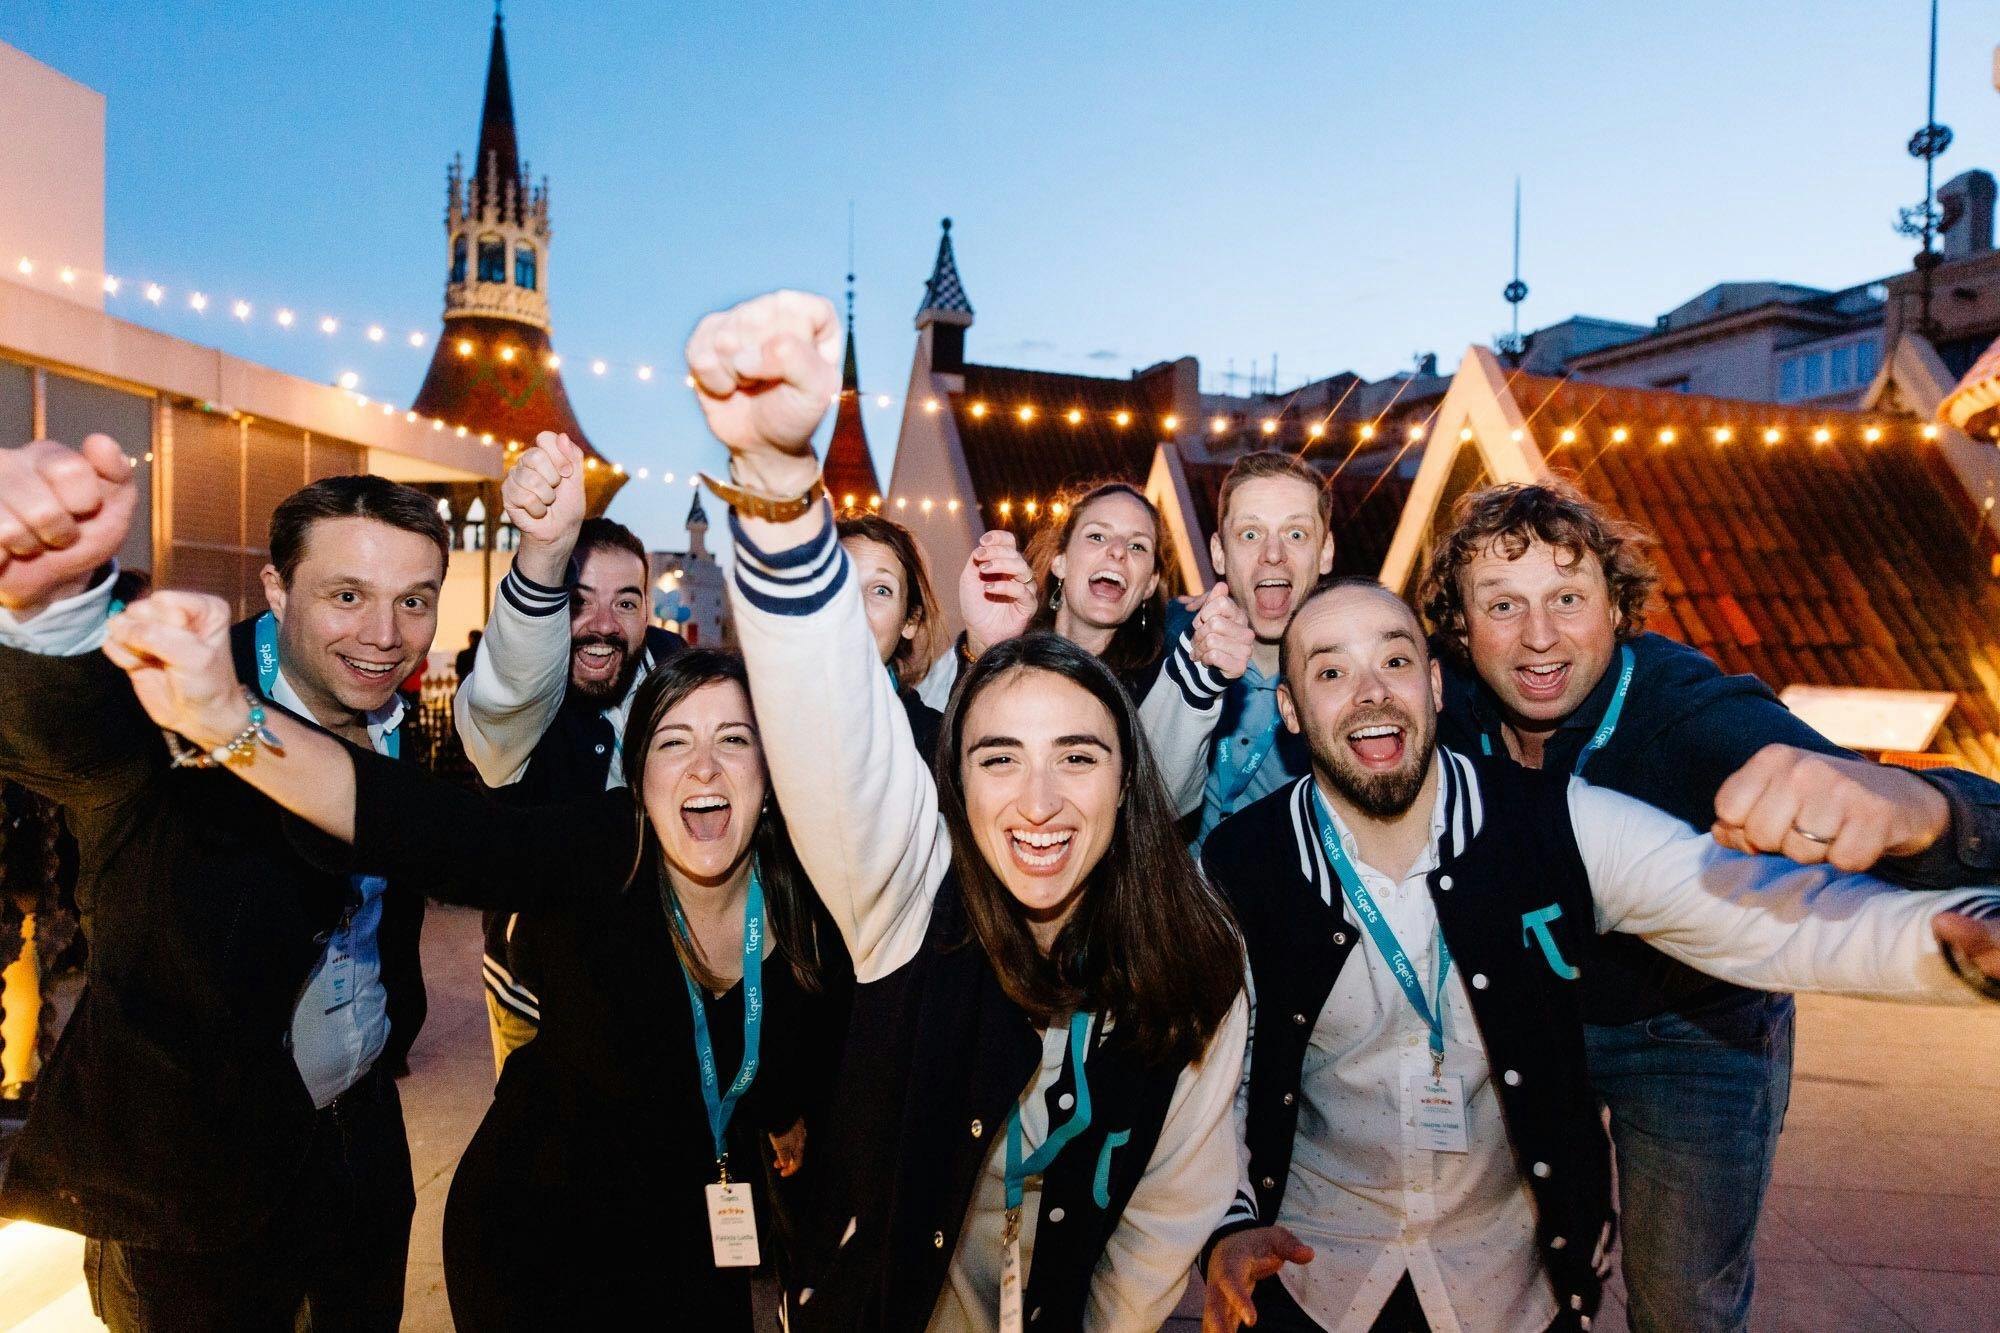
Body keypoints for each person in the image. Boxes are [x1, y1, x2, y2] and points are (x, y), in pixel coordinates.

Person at [1196, 575, 2000, 1333]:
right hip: (1314, 1277)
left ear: (1435, 687)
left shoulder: (1559, 824)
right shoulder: (1237, 866)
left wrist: (1955, 940)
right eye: (1331, 671)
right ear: (1291, 709)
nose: (1372, 690)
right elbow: (1213, 1082)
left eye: (1396, 660)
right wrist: (1227, 1226)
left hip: (1509, 1288)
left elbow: (1767, 918)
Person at [687, 289, 1250, 1329]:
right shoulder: (911, 905)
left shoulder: (1199, 958)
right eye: (996, 757)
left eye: (1075, 756)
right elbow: (832, 727)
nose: (1036, 801)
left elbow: (1168, 1209)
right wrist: (775, 490)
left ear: (1126, 781)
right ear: (953, 778)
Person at [99, 588, 848, 1330]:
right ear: (640, 774)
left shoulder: (808, 904)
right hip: (539, 1243)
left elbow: (793, 1045)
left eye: (735, 739)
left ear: (772, 773)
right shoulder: (601, 850)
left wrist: (780, 1111)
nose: (705, 770)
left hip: (691, 1248)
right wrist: (232, 720)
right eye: (674, 741)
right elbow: (428, 828)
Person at [1420, 480, 2000, 1332]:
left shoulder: (1687, 709)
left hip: (1693, 1030)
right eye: (1502, 605)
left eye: (1568, 599)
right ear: (1462, 629)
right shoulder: (1451, 707)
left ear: (1618, 609)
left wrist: (1919, 810)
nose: (1538, 636)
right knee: (1500, 1278)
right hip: (1533, 1019)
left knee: (1683, 1302)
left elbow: (1869, 800)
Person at [0, 436, 439, 1330]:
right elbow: (66, 732)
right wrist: (49, 606)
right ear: (278, 590)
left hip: (357, 1145)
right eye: (347, 595)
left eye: (413, 602)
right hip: (190, 1181)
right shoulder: (181, 698)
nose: (383, 634)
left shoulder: (402, 723)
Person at [454, 433, 687, 1074]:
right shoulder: (513, 705)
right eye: (578, 601)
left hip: (664, 988)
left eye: (626, 602)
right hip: (538, 1001)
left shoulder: (682, 680)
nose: (603, 624)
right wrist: (542, 556)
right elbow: (511, 690)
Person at [1157, 451, 1336, 848]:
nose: (1273, 554)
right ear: (1219, 553)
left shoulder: (1352, 683)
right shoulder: (1163, 645)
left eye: (1296, 534)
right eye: (1250, 534)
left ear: (1325, 552)